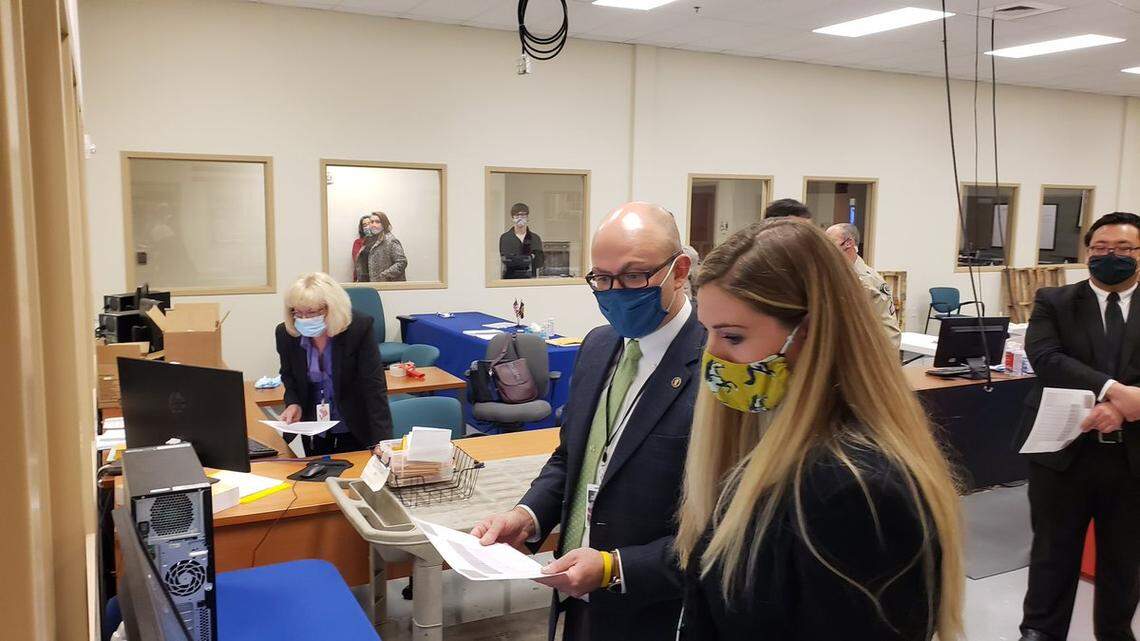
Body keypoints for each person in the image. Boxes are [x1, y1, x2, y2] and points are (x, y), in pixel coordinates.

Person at [676, 218, 964, 640]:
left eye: (733, 337)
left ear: (811, 335)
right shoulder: (767, 451)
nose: (712, 357)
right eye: (709, 334)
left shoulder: (856, 494)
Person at [471, 202, 706, 641]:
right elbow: (571, 458)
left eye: (634, 276)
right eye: (602, 278)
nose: (616, 292)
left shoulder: (716, 368)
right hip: (577, 600)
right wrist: (527, 515)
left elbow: (725, 532)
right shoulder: (599, 345)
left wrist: (615, 568)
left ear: (679, 271)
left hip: (659, 612)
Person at [1018, 211, 1140, 641]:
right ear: (1088, 253)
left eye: (1124, 249)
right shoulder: (1055, 301)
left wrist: (1123, 410)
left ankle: (1116, 633)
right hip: (1063, 454)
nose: (1111, 256)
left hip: (1131, 460)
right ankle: (1039, 632)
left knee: (1125, 560)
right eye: (1101, 248)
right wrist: (1115, 391)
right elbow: (1047, 359)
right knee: (1052, 554)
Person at [275, 272, 393, 454]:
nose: (304, 319)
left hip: (354, 425)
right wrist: (293, 403)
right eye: (297, 312)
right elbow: (288, 375)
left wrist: (382, 441)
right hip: (313, 428)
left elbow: (374, 387)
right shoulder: (287, 334)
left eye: (312, 312)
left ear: (332, 308)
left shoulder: (359, 328)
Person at [826, 223, 902, 349]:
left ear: (848, 243)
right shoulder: (830, 274)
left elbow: (889, 330)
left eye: (830, 242)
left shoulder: (869, 281)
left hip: (862, 354)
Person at [499, 202, 545, 279]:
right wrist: (530, 257)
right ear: (512, 218)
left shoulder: (535, 238)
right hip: (510, 280)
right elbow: (506, 261)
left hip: (530, 279)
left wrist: (516, 258)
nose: (520, 218)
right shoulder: (505, 238)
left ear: (527, 217)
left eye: (523, 215)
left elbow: (539, 262)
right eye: (517, 215)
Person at [367, 211, 408, 282]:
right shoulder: (370, 240)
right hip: (374, 285)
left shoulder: (391, 240)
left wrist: (384, 275)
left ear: (384, 224)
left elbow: (402, 262)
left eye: (377, 222)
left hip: (389, 287)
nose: (374, 224)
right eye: (372, 222)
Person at [354, 213, 381, 282]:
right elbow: (356, 259)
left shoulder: (380, 240)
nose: (367, 226)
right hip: (362, 277)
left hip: (377, 277)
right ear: (362, 228)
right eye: (364, 225)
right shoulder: (358, 242)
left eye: (369, 223)